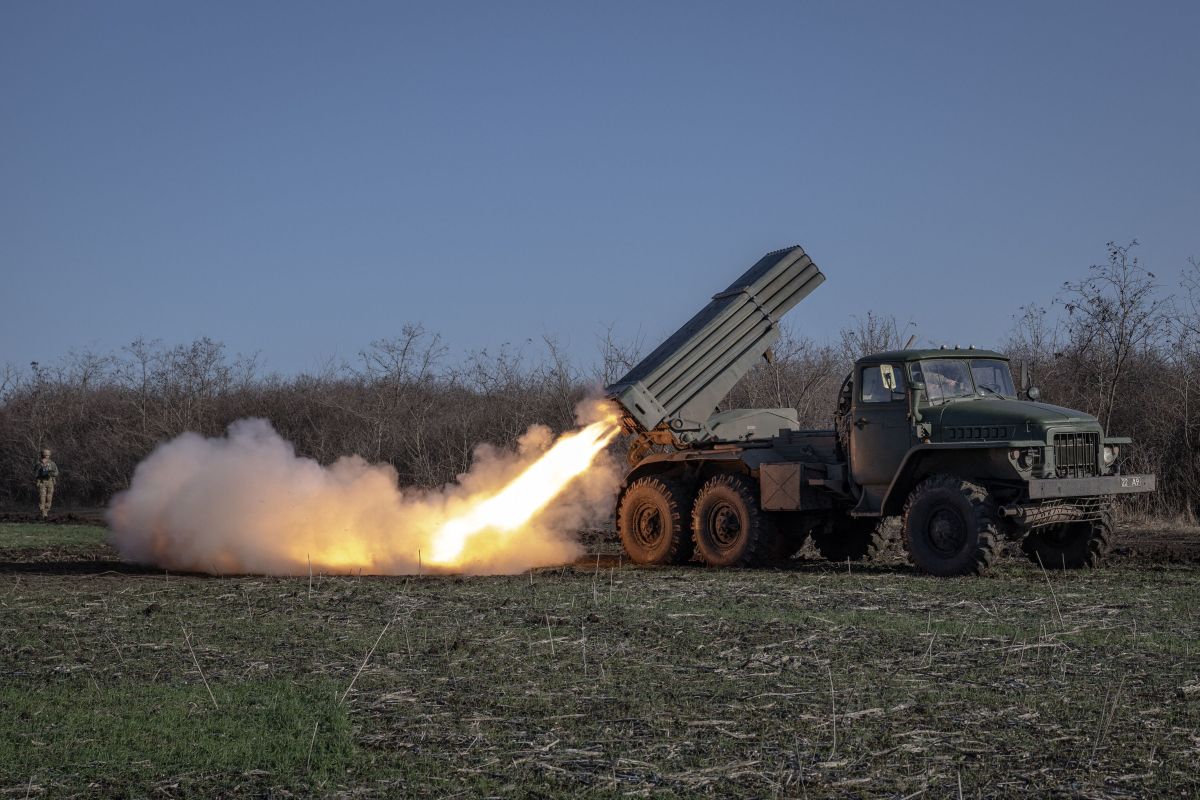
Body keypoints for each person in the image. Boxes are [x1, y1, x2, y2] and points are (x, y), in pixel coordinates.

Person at [35, 449, 59, 519]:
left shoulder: (52, 463)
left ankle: (46, 511)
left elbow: (56, 472)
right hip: (42, 482)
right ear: (42, 455)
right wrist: (42, 471)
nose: (46, 456)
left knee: (49, 498)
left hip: (50, 481)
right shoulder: (39, 464)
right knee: (42, 498)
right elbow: (35, 474)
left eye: (47, 455)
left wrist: (51, 473)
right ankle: (43, 512)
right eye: (45, 455)